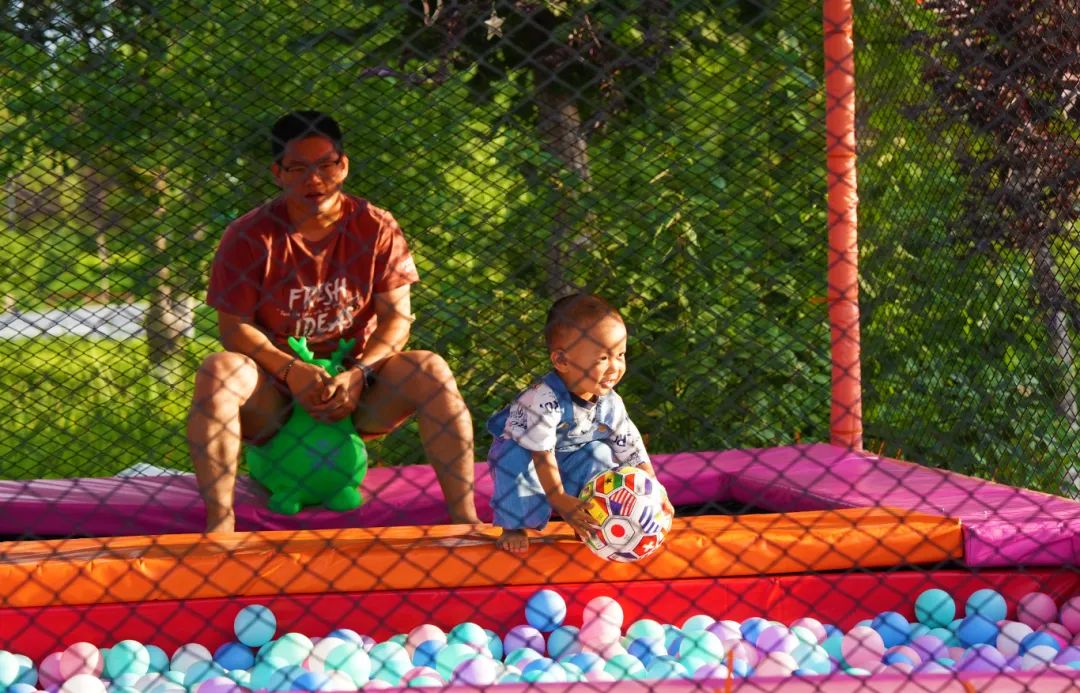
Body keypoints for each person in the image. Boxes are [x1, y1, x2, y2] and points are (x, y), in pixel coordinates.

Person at [187, 110, 479, 533]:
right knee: (218, 370)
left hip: (358, 388)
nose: (315, 179)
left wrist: (359, 373)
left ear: (343, 166)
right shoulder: (249, 235)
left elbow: (397, 319)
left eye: (325, 165)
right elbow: (233, 328)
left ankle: (465, 522)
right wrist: (290, 370)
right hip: (276, 392)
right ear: (277, 173)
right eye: (298, 168)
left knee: (430, 368)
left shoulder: (375, 226)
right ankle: (220, 528)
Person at [486, 293, 672, 553]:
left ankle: (590, 519)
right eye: (602, 358)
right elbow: (542, 454)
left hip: (572, 453)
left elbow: (630, 447)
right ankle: (515, 525)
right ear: (562, 361)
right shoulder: (543, 400)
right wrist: (559, 499)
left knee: (600, 453)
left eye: (620, 355)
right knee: (512, 457)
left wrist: (655, 490)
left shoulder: (610, 402)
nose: (615, 367)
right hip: (531, 453)